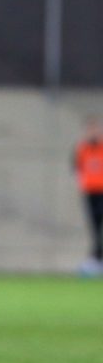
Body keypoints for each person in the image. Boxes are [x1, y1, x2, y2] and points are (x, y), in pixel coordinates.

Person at [74, 115, 103, 276]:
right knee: (95, 226)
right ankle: (97, 259)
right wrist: (82, 185)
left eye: (95, 129)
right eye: (90, 129)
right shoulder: (82, 149)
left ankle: (97, 257)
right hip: (90, 192)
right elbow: (77, 169)